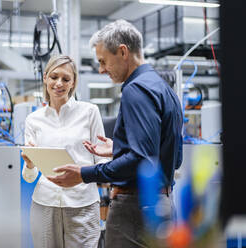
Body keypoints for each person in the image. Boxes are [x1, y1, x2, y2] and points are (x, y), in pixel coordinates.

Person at [47, 19, 183, 248]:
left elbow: (141, 160)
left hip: (134, 210)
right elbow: (173, 158)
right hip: (163, 203)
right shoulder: (163, 89)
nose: (101, 69)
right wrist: (119, 148)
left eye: (103, 61)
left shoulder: (135, 90)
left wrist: (84, 173)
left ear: (122, 52)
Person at [21, 54, 110, 248]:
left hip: (83, 205)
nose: (59, 83)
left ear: (73, 83)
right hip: (44, 205)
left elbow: (102, 163)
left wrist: (83, 175)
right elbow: (29, 177)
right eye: (54, 77)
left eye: (66, 79)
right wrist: (29, 165)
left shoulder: (89, 113)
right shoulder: (33, 120)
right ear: (45, 78)